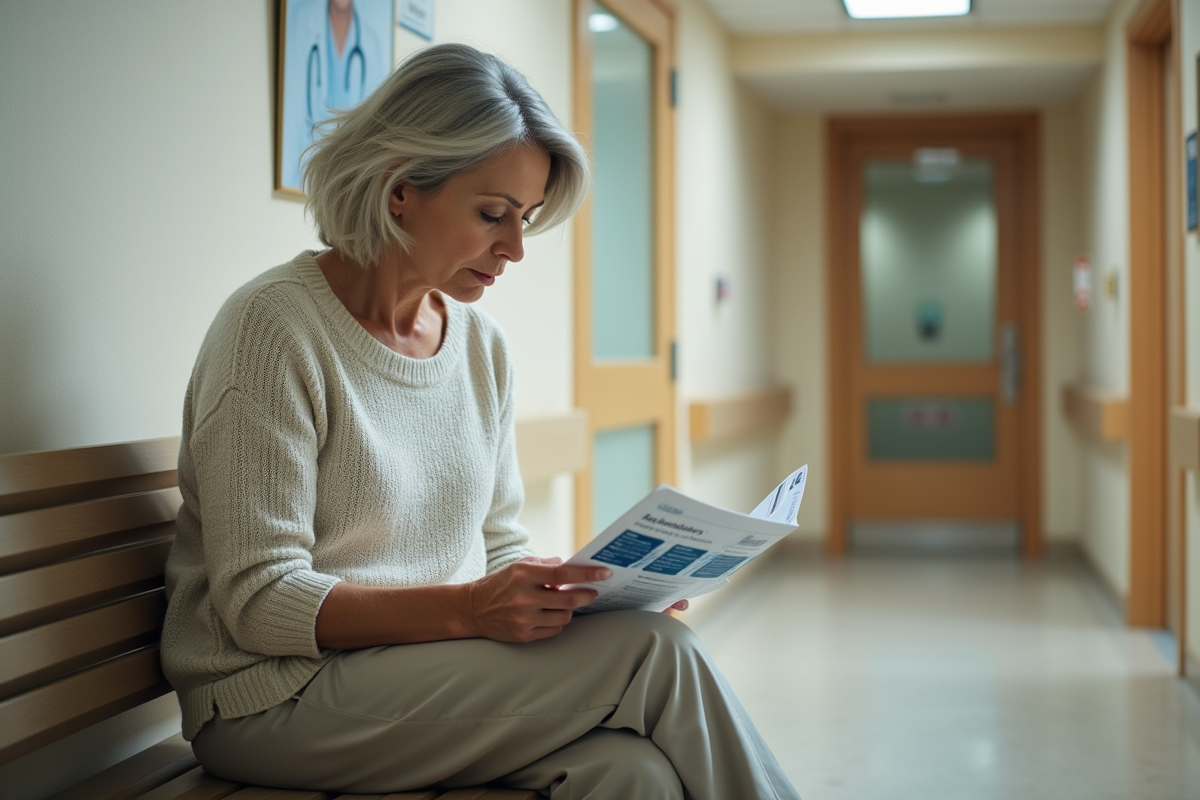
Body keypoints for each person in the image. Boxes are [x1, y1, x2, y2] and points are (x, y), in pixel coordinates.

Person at [162, 42, 802, 800]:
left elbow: (499, 541)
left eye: (526, 218)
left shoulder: (479, 346)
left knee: (634, 774)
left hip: (417, 673)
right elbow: (260, 605)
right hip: (274, 698)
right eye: (493, 214)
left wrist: (584, 591)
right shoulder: (272, 329)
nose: (516, 249)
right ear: (401, 190)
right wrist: (471, 607)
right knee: (655, 654)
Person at [279, 0, 391, 191]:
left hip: (348, 178)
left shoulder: (371, 42)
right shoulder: (301, 20)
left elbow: (374, 128)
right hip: (303, 168)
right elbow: (291, 110)